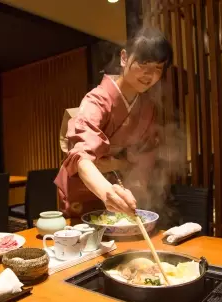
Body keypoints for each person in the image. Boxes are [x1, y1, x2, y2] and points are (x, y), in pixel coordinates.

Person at [54, 27, 173, 220]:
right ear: (124, 58)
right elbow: (81, 155)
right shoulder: (97, 100)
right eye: (143, 64)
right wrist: (106, 190)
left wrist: (134, 181)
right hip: (86, 184)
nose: (149, 75)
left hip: (120, 185)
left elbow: (146, 152)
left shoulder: (147, 107)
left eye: (158, 69)